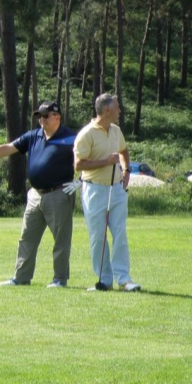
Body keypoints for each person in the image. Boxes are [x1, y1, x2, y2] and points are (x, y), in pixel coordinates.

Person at [0, 101, 78, 288]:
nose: (41, 120)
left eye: (45, 116)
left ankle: (59, 280)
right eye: (39, 116)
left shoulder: (71, 138)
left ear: (57, 117)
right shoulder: (33, 136)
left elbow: (87, 156)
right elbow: (8, 148)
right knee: (27, 238)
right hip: (35, 195)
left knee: (61, 240)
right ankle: (21, 278)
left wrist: (81, 181)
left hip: (59, 194)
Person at [73, 93, 141, 292]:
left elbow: (124, 150)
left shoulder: (116, 130)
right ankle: (104, 280)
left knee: (119, 233)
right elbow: (78, 165)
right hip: (94, 189)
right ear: (108, 110)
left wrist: (126, 170)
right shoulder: (86, 134)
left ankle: (124, 280)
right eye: (118, 108)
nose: (120, 111)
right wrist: (105, 162)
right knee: (98, 236)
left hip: (117, 188)